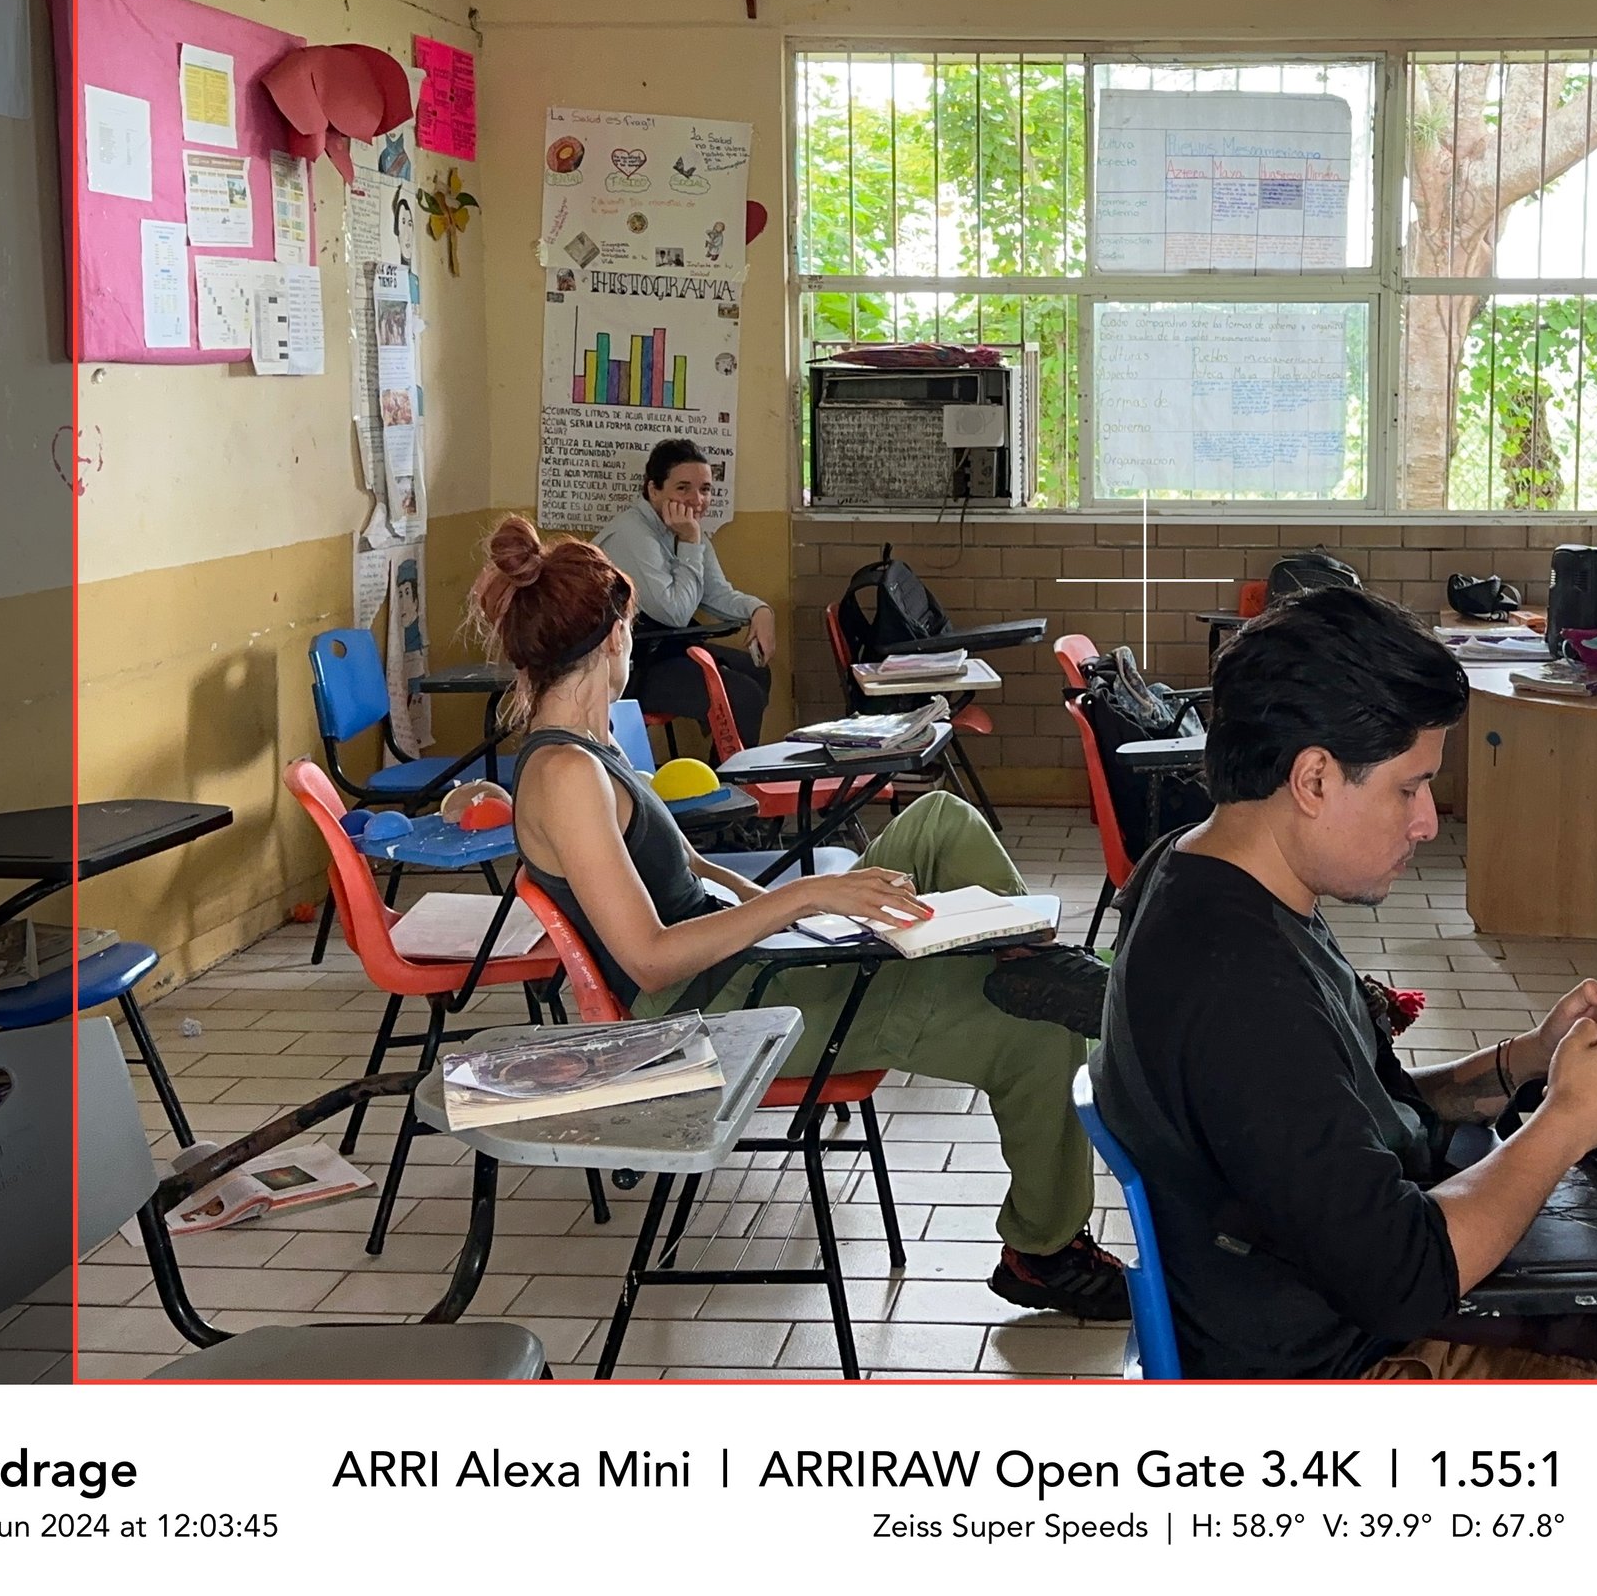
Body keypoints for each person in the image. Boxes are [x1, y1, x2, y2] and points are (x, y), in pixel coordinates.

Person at [469, 516, 1127, 1321]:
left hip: (744, 968)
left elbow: (690, 868)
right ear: (613, 637)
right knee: (1037, 1033)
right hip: (712, 1018)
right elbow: (649, 958)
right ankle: (1045, 1251)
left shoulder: (585, 746)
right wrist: (805, 901)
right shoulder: (568, 774)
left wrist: (788, 914)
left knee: (939, 821)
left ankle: (1025, 959)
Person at [1090, 586, 1597, 1380]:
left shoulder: (1209, 875)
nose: (1426, 821)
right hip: (1343, 1370)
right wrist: (1566, 1120)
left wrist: (1530, 1057)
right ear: (1314, 778)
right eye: (1408, 788)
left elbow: (1346, 1117)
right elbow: (1407, 1279)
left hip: (1320, 1311)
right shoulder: (1240, 992)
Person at [594, 439, 773, 748]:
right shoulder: (632, 534)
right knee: (743, 696)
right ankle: (730, 777)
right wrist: (690, 541)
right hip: (628, 667)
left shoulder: (683, 528)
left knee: (756, 673)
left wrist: (759, 610)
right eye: (683, 488)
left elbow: (716, 593)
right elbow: (674, 613)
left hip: (665, 650)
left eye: (705, 489)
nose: (697, 500)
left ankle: (725, 770)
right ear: (653, 490)